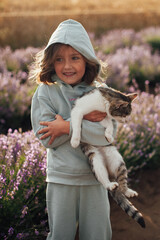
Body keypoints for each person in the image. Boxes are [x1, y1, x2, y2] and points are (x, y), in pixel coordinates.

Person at [30, 19, 117, 240]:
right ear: (51, 62)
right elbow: (47, 138)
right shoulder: (45, 93)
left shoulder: (101, 91)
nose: (67, 66)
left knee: (98, 234)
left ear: (87, 59)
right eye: (59, 59)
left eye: (74, 58)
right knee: (60, 235)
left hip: (94, 179)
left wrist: (66, 126)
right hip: (61, 179)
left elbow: (106, 135)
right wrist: (84, 118)